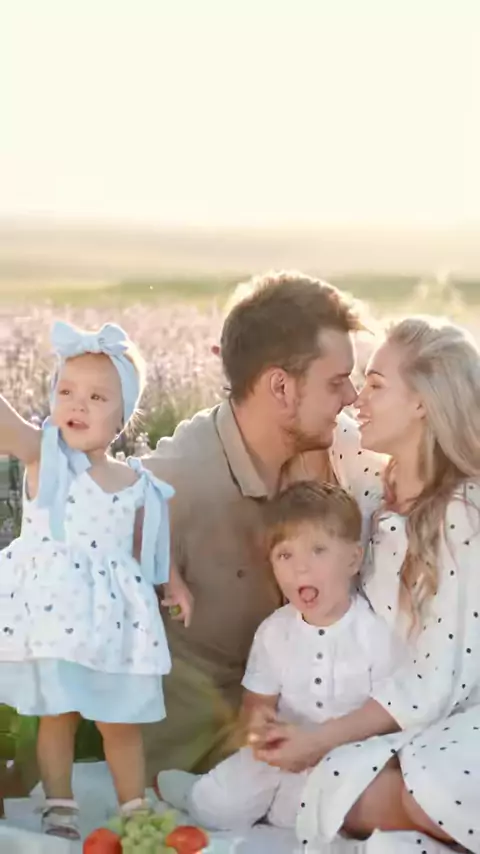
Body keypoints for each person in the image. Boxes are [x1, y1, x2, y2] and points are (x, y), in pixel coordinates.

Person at [249, 317, 480, 853]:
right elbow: (322, 416)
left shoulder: (462, 514)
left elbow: (433, 682)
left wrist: (318, 738)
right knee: (343, 793)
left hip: (458, 714)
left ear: (422, 402)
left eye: (375, 385)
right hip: (401, 731)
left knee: (426, 792)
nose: (357, 398)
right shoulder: (375, 483)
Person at [142, 270, 384, 777]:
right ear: (281, 386)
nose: (351, 397)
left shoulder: (326, 453)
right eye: (336, 382)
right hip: (201, 765)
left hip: (308, 733)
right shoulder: (173, 486)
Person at [0, 320, 192, 840]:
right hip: (55, 613)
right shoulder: (46, 457)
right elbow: (7, 425)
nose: (77, 405)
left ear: (123, 417)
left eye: (97, 397)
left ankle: (134, 807)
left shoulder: (137, 482)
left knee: (118, 719)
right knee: (57, 714)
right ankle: (59, 806)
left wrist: (172, 584)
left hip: (112, 621)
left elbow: (149, 544)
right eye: (66, 392)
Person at [156, 481, 400, 831]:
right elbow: (257, 703)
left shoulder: (374, 633)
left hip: (344, 756)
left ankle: (275, 807)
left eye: (318, 550)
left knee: (315, 808)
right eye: (285, 555)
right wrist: (261, 729)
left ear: (352, 559)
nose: (301, 569)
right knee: (218, 808)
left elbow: (389, 717)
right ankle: (196, 793)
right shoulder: (275, 631)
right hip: (281, 752)